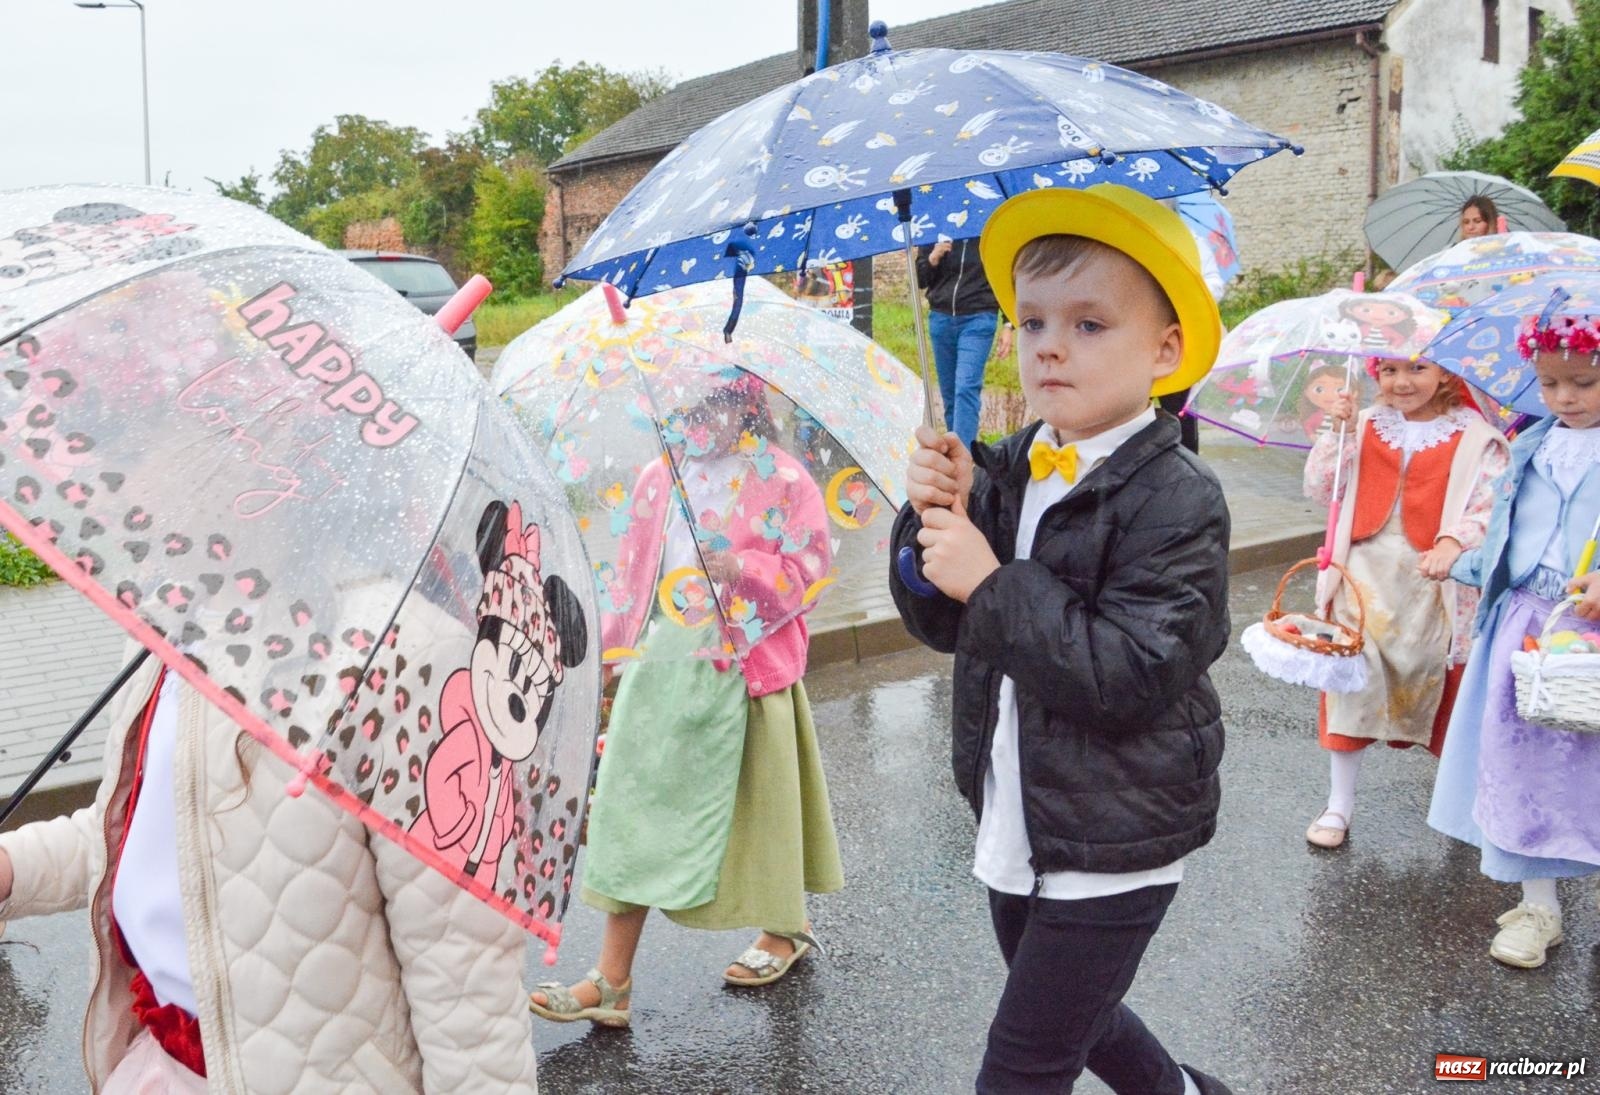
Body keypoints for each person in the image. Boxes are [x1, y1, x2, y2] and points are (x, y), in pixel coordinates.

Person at [890, 184, 1234, 1095]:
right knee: (1084, 1016)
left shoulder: (1181, 498)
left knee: (1022, 1067)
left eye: (1088, 324)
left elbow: (1129, 674)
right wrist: (930, 516)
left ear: (1165, 350)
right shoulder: (1008, 467)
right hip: (1019, 811)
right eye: (1033, 320)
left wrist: (992, 582)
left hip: (1116, 835)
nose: (1048, 344)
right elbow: (943, 623)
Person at [0, 650, 539, 1092]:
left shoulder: (410, 656)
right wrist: (11, 867)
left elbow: (466, 988)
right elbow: (142, 829)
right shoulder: (171, 628)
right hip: (161, 1067)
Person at [530, 377, 843, 1027]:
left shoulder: (784, 479)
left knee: (762, 812)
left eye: (711, 406)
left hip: (747, 668)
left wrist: (743, 569)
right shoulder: (659, 478)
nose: (697, 422)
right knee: (633, 811)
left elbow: (808, 573)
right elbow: (632, 581)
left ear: (745, 406)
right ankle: (612, 978)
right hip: (664, 667)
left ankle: (784, 929)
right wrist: (609, 655)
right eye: (682, 410)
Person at [1428, 309, 1600, 969]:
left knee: (1588, 772)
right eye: (1550, 383)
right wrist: (1460, 560)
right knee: (1522, 766)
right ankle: (1538, 906)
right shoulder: (1531, 444)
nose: (1564, 397)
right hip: (1527, 624)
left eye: (1583, 382)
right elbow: (1508, 530)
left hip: (1590, 628)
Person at [1301, 359, 1508, 849]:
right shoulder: (1364, 423)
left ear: (1446, 374)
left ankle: (1463, 802)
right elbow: (1321, 488)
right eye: (1389, 370)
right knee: (1351, 683)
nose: (1401, 382)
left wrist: (1455, 541)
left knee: (1438, 684)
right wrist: (1338, 434)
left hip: (1435, 580)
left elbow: (1491, 503)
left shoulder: (1476, 437)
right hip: (1363, 573)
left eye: (1417, 369)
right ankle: (1339, 802)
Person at [916, 237, 1013, 449]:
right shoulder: (936, 228)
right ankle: (955, 451)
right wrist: (933, 258)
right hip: (941, 318)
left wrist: (1008, 324)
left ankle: (965, 456)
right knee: (950, 394)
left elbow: (1005, 275)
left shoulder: (988, 233)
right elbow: (920, 279)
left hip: (979, 319)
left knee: (966, 386)